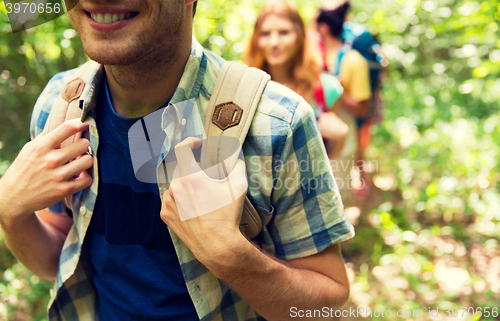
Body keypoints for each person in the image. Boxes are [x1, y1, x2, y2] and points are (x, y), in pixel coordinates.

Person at [0, 0, 355, 320]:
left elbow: (326, 305)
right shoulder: (59, 106)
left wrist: (231, 257)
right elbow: (56, 259)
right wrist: (10, 212)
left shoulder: (277, 123)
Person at [244, 0, 349, 160]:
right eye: (265, 34)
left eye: (284, 32)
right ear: (256, 39)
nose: (274, 42)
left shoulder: (326, 89)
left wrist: (341, 137)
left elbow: (328, 162)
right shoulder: (245, 88)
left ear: (300, 35)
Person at [316, 1, 373, 199]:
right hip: (313, 142)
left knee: (336, 199)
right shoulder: (310, 58)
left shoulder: (353, 60)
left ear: (322, 27)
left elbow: (363, 108)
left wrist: (333, 89)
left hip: (342, 143)